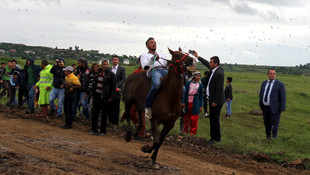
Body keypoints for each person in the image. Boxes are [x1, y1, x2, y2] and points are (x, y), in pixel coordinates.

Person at [193, 51, 225, 144]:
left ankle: (216, 138)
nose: (209, 64)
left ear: (216, 64)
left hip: (216, 100)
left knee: (215, 119)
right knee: (212, 118)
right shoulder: (213, 69)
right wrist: (198, 57)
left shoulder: (218, 73)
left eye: (211, 62)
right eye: (210, 62)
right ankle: (214, 137)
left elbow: (219, 89)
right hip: (212, 99)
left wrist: (215, 101)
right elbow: (206, 63)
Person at [140, 37, 168, 119]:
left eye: (155, 42)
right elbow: (145, 67)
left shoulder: (162, 54)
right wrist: (153, 59)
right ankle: (147, 106)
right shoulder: (144, 55)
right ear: (147, 46)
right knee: (156, 84)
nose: (154, 44)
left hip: (165, 70)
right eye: (151, 42)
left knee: (181, 86)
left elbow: (167, 63)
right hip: (155, 71)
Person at [89, 60, 116, 135]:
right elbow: (94, 83)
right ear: (101, 65)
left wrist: (111, 97)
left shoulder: (111, 75)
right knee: (95, 113)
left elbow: (113, 87)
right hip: (97, 95)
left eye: (106, 64)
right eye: (104, 64)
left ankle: (102, 131)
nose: (105, 66)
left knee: (104, 114)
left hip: (105, 97)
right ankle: (94, 129)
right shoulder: (97, 73)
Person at [259, 69, 286, 139]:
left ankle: (274, 137)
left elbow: (283, 96)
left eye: (274, 73)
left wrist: (282, 107)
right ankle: (268, 136)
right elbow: (261, 93)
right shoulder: (264, 83)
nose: (272, 75)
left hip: (275, 108)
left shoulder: (280, 84)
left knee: (274, 124)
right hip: (265, 107)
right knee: (266, 123)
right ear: (267, 74)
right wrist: (261, 104)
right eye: (271, 73)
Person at [182, 71, 203, 135]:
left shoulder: (200, 85)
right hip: (188, 101)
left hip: (195, 102)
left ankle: (192, 132)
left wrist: (200, 106)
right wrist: (183, 101)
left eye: (199, 76)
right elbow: (184, 93)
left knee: (194, 118)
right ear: (194, 76)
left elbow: (201, 96)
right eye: (197, 76)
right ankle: (185, 130)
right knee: (186, 116)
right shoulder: (188, 83)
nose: (198, 77)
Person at [108, 55, 126, 125]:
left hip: (117, 90)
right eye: (114, 60)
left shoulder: (122, 69)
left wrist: (117, 85)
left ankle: (115, 122)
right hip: (110, 90)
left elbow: (124, 78)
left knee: (116, 106)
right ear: (112, 61)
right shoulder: (109, 69)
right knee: (109, 106)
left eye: (117, 60)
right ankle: (110, 121)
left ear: (118, 61)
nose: (115, 61)